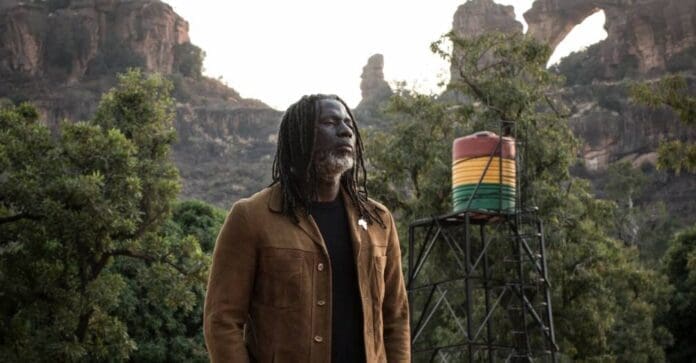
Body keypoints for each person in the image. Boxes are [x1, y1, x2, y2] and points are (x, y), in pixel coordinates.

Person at [203, 94, 411, 362]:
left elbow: (396, 317)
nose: (346, 130)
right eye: (330, 122)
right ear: (300, 136)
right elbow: (222, 321)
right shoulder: (251, 218)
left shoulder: (378, 221)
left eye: (348, 123)